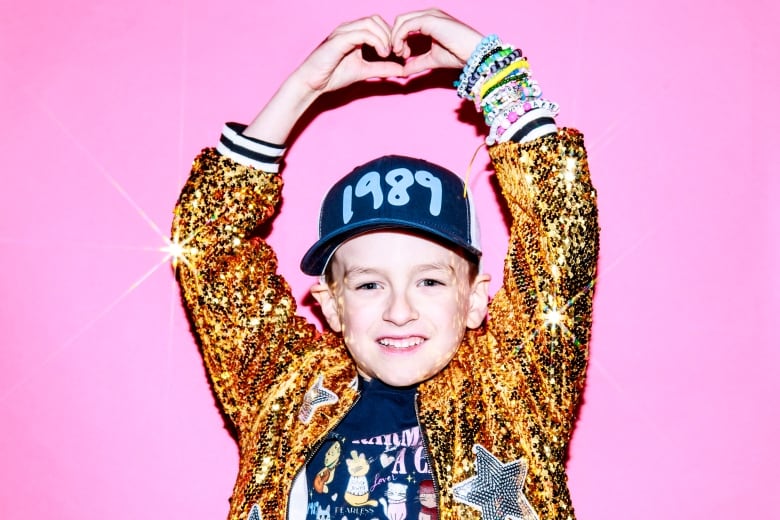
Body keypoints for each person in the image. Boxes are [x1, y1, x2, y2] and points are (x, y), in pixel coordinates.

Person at [172, 8, 599, 520]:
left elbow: (563, 222)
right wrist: (303, 89)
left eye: (430, 281)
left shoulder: (511, 388)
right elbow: (208, 240)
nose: (400, 311)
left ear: (475, 298)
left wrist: (492, 68)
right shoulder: (284, 386)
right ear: (331, 304)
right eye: (370, 285)